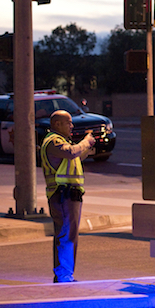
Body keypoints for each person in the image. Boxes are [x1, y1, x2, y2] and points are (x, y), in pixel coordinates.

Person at [40, 110, 96, 282]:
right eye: (68, 122)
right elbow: (71, 152)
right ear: (57, 124)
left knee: (67, 234)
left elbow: (74, 156)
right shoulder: (53, 141)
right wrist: (85, 142)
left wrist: (87, 148)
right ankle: (64, 275)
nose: (72, 126)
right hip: (63, 194)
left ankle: (64, 274)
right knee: (66, 234)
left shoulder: (62, 142)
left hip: (68, 195)